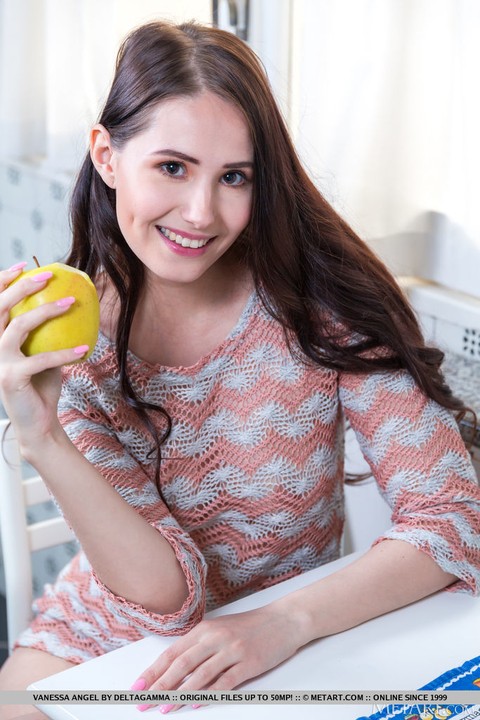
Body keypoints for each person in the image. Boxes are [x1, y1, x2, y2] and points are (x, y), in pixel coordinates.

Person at [0, 19, 479, 719]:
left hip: (285, 641)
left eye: (234, 177)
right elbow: (169, 596)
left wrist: (285, 622)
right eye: (172, 167)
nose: (200, 213)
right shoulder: (75, 338)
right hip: (111, 637)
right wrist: (42, 433)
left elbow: (453, 514)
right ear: (106, 156)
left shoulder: (321, 306)